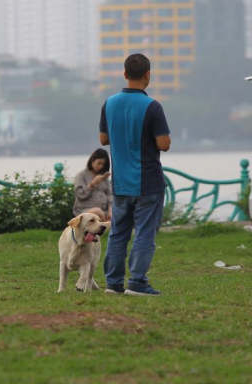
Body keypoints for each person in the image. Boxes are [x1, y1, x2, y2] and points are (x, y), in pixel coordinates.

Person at [99, 54, 171, 297]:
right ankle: (138, 283)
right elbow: (164, 144)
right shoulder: (152, 106)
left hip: (120, 182)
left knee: (118, 232)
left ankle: (113, 283)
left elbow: (103, 139)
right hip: (148, 182)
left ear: (125, 74)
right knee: (144, 233)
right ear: (148, 75)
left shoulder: (108, 103)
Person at [73, 148, 112, 221]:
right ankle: (105, 226)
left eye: (103, 165)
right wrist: (92, 184)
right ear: (93, 160)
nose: (101, 166)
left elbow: (109, 194)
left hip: (104, 210)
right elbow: (80, 195)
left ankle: (107, 226)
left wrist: (110, 209)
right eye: (99, 163)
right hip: (85, 210)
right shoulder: (81, 175)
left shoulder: (103, 177)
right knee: (97, 211)